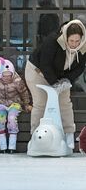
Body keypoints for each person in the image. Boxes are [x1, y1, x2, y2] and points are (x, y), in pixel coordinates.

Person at [25, 19, 86, 150]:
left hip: (60, 76)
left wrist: (66, 80)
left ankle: (69, 134)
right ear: (66, 38)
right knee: (41, 103)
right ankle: (35, 136)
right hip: (38, 72)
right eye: (71, 41)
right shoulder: (53, 41)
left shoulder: (83, 47)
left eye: (77, 41)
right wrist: (54, 83)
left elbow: (80, 67)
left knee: (65, 102)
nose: (74, 44)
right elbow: (45, 64)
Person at [0, 57, 32, 153]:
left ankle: (12, 146)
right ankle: (3, 146)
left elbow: (24, 92)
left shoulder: (17, 81)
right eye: (4, 76)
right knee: (0, 121)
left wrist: (26, 104)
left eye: (9, 75)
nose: (7, 78)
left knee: (12, 119)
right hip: (1, 103)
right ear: (0, 75)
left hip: (14, 103)